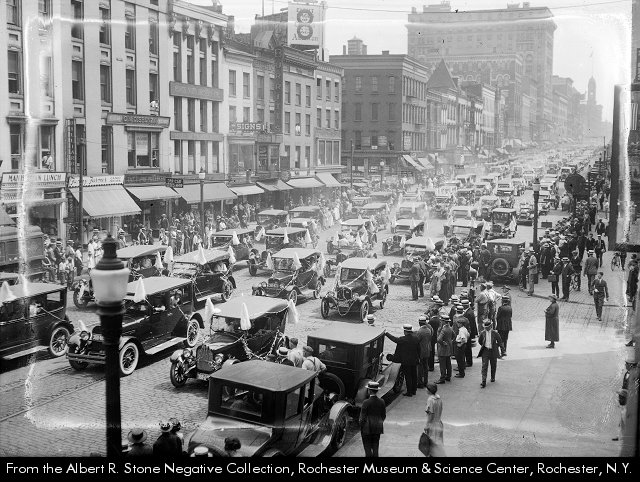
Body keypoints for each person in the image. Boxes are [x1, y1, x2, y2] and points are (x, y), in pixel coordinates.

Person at [385, 324, 420, 396]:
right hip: (414, 360)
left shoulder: (403, 339)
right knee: (414, 375)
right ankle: (414, 391)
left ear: (405, 331)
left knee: (408, 376)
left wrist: (386, 333)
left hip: (406, 362)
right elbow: (419, 350)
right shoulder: (416, 338)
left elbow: (394, 339)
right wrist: (418, 358)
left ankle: (409, 392)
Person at [359, 381, 386, 457]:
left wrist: (361, 426)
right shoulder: (382, 401)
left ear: (369, 390)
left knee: (367, 450)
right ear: (377, 391)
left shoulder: (366, 402)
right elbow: (383, 416)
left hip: (367, 429)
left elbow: (363, 418)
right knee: (375, 448)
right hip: (377, 428)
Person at [477, 319, 504, 388]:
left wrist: (501, 350)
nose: (486, 328)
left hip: (493, 351)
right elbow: (480, 341)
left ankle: (492, 377)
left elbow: (500, 341)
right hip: (485, 351)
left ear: (490, 326)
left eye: (487, 327)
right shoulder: (482, 333)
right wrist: (484, 345)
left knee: (493, 365)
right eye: (485, 327)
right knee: (484, 366)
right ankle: (483, 381)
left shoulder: (495, 333)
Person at [422, 382, 445, 457]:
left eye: (427, 388)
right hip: (439, 423)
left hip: (433, 425)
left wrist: (427, 425)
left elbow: (430, 414)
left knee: (432, 446)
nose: (425, 389)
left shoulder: (430, 400)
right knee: (437, 444)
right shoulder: (439, 398)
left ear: (429, 390)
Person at [435, 314, 453, 384]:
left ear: (443, 321)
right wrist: (449, 342)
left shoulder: (443, 329)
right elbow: (454, 335)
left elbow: (439, 339)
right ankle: (448, 376)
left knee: (442, 365)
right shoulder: (450, 328)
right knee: (448, 363)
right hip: (449, 348)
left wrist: (442, 343)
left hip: (442, 349)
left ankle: (442, 378)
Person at [416, 316, 433, 388]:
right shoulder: (429, 330)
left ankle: (420, 383)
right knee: (426, 367)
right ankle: (426, 381)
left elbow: (417, 341)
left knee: (420, 367)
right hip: (427, 350)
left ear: (419, 323)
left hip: (421, 352)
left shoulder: (420, 331)